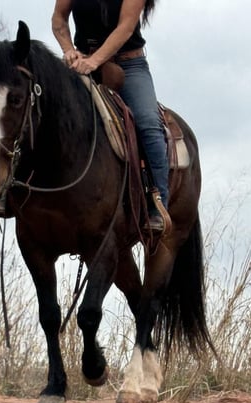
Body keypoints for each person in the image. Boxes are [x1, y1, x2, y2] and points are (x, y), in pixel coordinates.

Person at [52, 0, 169, 231]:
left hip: (128, 65)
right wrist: (69, 51)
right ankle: (14, 189)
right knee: (44, 107)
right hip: (83, 62)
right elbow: (58, 19)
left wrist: (95, 61)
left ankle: (159, 204)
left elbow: (125, 27)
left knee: (148, 124)